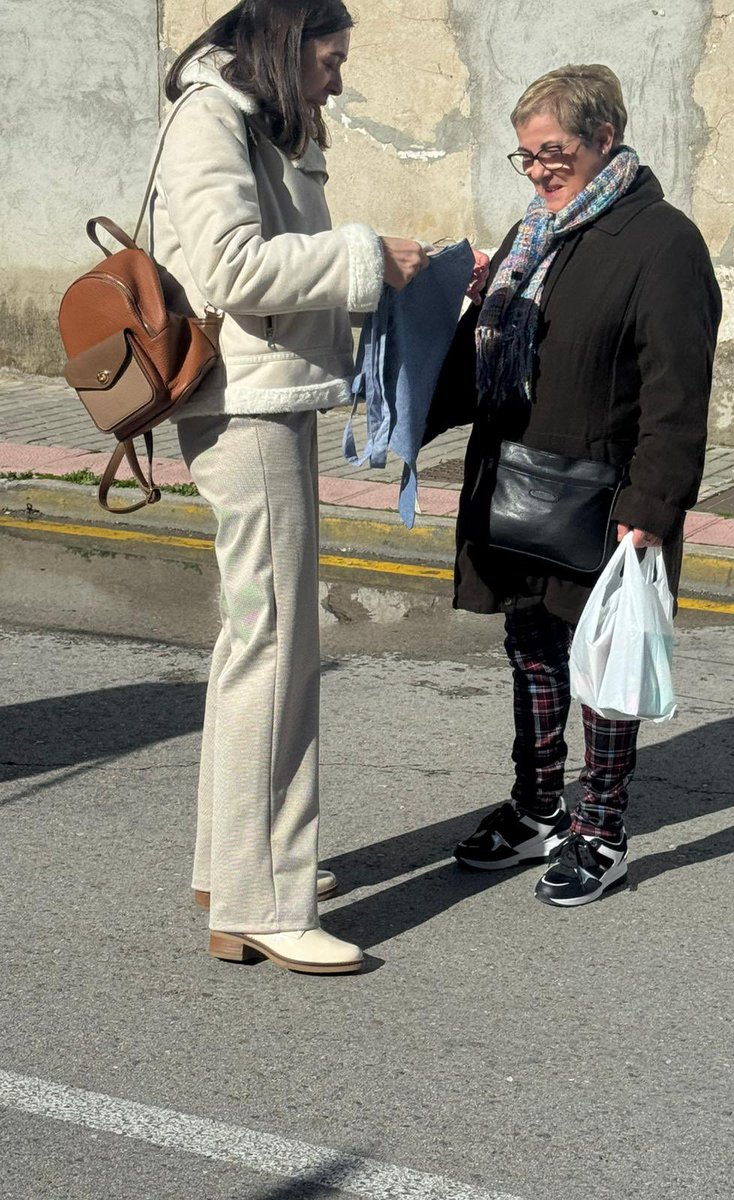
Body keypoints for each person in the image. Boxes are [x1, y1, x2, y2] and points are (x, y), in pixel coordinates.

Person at [152, 0, 430, 973]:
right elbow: (230, 266)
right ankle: (263, 899)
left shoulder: (253, 117)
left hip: (266, 398)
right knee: (274, 650)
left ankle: (232, 871)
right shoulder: (211, 117)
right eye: (332, 59)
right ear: (284, 41)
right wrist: (364, 253)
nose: (339, 82)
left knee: (262, 640)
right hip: (241, 408)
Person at [426, 64, 722, 906]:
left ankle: (602, 827)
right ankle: (536, 806)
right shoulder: (537, 232)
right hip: (512, 477)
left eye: (552, 152)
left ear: (603, 138)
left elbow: (677, 388)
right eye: (525, 156)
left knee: (601, 668)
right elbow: (484, 350)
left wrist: (654, 507)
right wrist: (405, 417)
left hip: (602, 494)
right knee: (530, 649)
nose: (538, 170)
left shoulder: (663, 242)